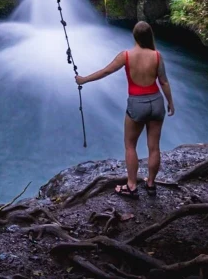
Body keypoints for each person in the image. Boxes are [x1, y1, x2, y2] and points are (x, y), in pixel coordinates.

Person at [75, 21, 175, 197]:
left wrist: (84, 80)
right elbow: (164, 81)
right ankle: (151, 185)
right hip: (156, 101)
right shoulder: (157, 56)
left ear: (134, 36)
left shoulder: (126, 56)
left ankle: (131, 186)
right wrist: (170, 103)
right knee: (154, 147)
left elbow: (105, 72)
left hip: (137, 104)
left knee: (130, 146)